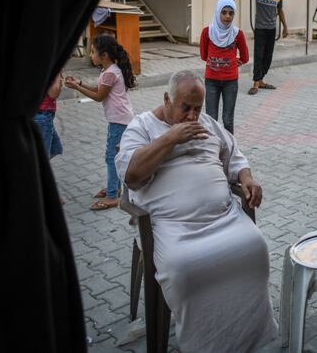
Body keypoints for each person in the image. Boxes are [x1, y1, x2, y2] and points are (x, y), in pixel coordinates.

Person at [115, 70, 277, 352]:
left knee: (255, 248)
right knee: (186, 269)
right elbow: (131, 175)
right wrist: (170, 139)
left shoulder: (208, 125)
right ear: (167, 99)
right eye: (185, 108)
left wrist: (247, 179)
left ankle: (248, 339)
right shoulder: (142, 127)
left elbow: (235, 156)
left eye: (197, 108)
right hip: (173, 227)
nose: (192, 116)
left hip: (222, 218)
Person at [65, 34, 135, 211]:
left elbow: (98, 96)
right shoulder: (110, 70)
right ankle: (115, 188)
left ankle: (112, 196)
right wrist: (80, 82)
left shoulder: (110, 73)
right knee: (112, 156)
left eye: (93, 52)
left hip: (119, 121)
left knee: (112, 158)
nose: (90, 55)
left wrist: (76, 87)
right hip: (121, 120)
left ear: (104, 55)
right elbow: (99, 89)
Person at [226, 0, 288, 95]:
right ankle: (255, 83)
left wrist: (285, 27)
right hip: (260, 30)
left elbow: (280, 11)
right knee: (259, 56)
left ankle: (260, 80)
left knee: (268, 57)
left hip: (271, 30)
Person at [200, 0, 249, 134]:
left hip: (230, 82)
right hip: (211, 81)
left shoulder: (237, 34)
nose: (227, 16)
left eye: (231, 13)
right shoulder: (207, 32)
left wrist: (232, 63)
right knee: (211, 119)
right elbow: (204, 56)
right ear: (217, 12)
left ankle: (229, 149)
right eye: (224, 12)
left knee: (228, 119)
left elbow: (245, 57)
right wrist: (223, 63)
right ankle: (212, 148)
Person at [33, 72, 64, 159]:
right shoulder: (46, 65)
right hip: (41, 115)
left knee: (55, 149)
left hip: (40, 113)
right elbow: (54, 93)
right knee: (42, 158)